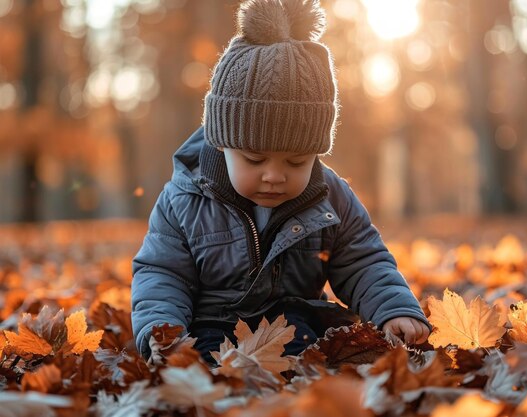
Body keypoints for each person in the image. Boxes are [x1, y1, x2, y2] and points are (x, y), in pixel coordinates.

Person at [131, 0, 431, 363]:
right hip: (212, 326)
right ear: (222, 142)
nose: (274, 175)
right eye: (254, 159)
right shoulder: (184, 199)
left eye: (297, 161)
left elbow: (364, 261)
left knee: (329, 357)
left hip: (295, 326)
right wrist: (163, 332)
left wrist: (393, 309)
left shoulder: (330, 198)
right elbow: (163, 273)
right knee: (204, 363)